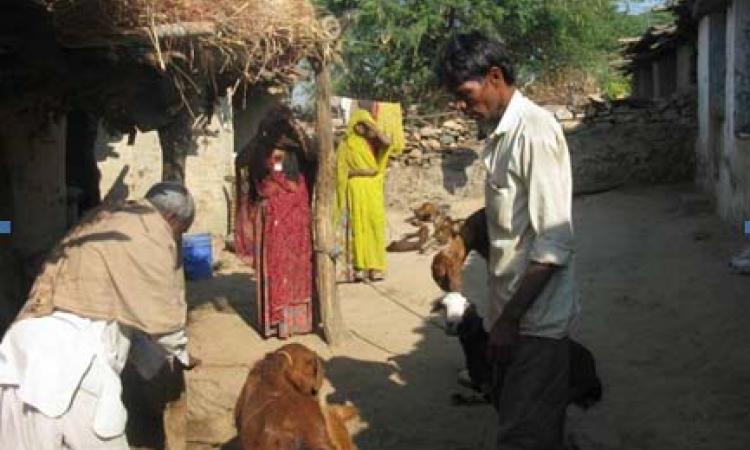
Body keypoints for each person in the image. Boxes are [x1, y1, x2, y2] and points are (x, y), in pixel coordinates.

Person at [437, 32, 580, 450]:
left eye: (465, 94)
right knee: (522, 420)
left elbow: (554, 245)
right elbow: (507, 217)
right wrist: (461, 242)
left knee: (523, 436)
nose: (460, 107)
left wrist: (510, 322)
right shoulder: (501, 134)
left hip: (535, 323)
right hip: (512, 313)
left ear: (495, 76)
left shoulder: (534, 133)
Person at [0, 181, 199, 450]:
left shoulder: (100, 220)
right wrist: (180, 355)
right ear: (171, 218)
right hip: (74, 370)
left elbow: (135, 336)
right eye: (180, 232)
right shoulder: (152, 236)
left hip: (17, 355)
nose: (175, 238)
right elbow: (166, 326)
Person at [235, 108, 315, 339]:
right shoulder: (259, 151)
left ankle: (293, 322)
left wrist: (298, 134)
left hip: (295, 222)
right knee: (277, 268)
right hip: (274, 221)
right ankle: (278, 323)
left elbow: (314, 160)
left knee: (295, 268)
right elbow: (243, 165)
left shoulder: (299, 152)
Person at [335, 100, 403, 282]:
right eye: (359, 125)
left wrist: (372, 126)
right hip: (355, 189)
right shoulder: (346, 145)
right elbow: (341, 172)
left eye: (365, 126)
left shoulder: (372, 142)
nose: (362, 129)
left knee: (374, 226)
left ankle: (375, 267)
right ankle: (358, 269)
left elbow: (388, 142)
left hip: (372, 190)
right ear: (354, 125)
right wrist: (363, 171)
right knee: (357, 228)